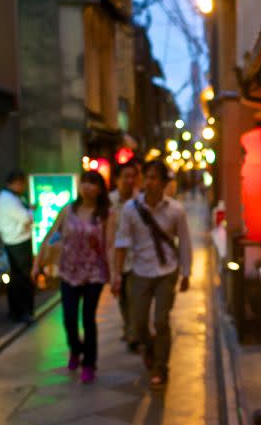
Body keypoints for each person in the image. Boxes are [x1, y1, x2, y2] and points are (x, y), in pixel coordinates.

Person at [113, 160, 192, 387]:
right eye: (146, 177)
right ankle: (150, 347)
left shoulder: (175, 210)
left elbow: (184, 242)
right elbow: (121, 242)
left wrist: (186, 273)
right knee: (137, 325)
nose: (149, 182)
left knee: (161, 320)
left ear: (164, 183)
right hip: (140, 271)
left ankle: (160, 367)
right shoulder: (130, 209)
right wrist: (117, 274)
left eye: (154, 177)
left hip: (167, 271)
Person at [33, 171, 111, 384]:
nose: (87, 187)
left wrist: (115, 275)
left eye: (92, 183)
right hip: (69, 271)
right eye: (84, 182)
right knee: (68, 318)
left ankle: (89, 363)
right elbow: (50, 235)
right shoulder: (68, 210)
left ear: (100, 189)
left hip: (94, 272)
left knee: (87, 318)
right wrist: (37, 263)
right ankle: (75, 350)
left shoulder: (105, 214)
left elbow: (110, 245)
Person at [107, 160, 140, 351]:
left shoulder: (140, 201)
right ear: (117, 179)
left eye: (132, 176)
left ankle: (134, 332)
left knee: (134, 295)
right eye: (125, 176)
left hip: (136, 259)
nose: (129, 180)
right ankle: (129, 328)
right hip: (116, 259)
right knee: (123, 297)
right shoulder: (109, 202)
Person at [0, 170, 35, 323]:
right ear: (17, 183)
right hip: (18, 241)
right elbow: (26, 218)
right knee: (22, 278)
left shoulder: (8, 197)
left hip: (13, 241)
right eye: (22, 183)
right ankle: (24, 312)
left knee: (16, 278)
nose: (23, 187)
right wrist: (30, 211)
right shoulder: (9, 199)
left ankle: (16, 311)